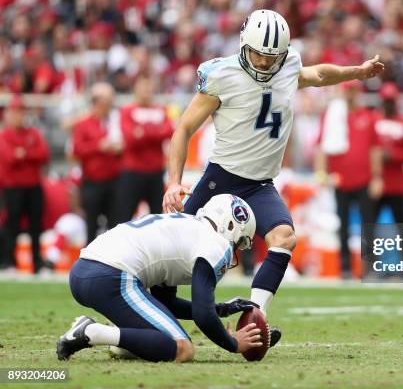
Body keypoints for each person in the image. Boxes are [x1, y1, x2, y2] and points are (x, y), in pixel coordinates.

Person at [162, 10, 384, 313]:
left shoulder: (289, 62)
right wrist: (174, 181)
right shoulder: (222, 75)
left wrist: (356, 72)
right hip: (221, 179)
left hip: (260, 185)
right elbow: (184, 129)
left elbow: (317, 75)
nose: (265, 62)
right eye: (258, 54)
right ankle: (150, 313)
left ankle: (255, 315)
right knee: (175, 248)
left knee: (284, 238)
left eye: (272, 56)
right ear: (243, 44)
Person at [57, 194, 269, 363]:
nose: (234, 251)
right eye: (238, 242)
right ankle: (92, 332)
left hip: (84, 272)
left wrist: (221, 309)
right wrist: (232, 343)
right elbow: (202, 315)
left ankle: (127, 343)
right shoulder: (216, 243)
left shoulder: (187, 228)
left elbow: (167, 302)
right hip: (111, 276)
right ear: (231, 227)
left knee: (161, 338)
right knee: (182, 349)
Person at [315, 81, 384, 279]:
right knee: (342, 225)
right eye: (348, 91)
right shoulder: (333, 117)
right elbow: (321, 146)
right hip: (340, 179)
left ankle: (369, 267)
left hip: (364, 179)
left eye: (353, 91)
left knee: (368, 225)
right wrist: (321, 173)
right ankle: (344, 267)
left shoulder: (368, 117)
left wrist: (377, 177)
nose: (350, 95)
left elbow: (375, 149)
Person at [0, 95, 49, 272]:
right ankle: (9, 262)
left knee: (36, 225)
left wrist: (24, 154)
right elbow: (10, 157)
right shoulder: (4, 135)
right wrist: (28, 154)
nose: (18, 116)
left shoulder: (33, 133)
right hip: (12, 187)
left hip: (33, 186)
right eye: (15, 112)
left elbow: (43, 154)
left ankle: (37, 263)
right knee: (12, 225)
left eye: (21, 112)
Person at [116, 75, 173, 223]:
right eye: (143, 88)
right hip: (133, 172)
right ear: (135, 90)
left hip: (155, 172)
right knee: (124, 217)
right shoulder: (127, 110)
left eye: (149, 88)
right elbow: (130, 138)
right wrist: (155, 130)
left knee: (157, 218)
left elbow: (168, 131)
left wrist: (142, 131)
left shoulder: (161, 109)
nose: (147, 92)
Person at [72, 82, 123, 243]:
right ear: (96, 103)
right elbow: (77, 150)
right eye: (104, 103)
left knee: (115, 225)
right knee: (91, 225)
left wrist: (118, 147)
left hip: (114, 180)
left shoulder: (115, 121)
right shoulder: (83, 124)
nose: (107, 106)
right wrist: (98, 146)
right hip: (92, 182)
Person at [374, 82, 403, 226]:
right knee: (369, 229)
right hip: (376, 183)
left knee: (402, 229)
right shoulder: (373, 121)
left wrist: (393, 155)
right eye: (386, 101)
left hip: (397, 184)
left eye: (391, 101)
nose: (388, 105)